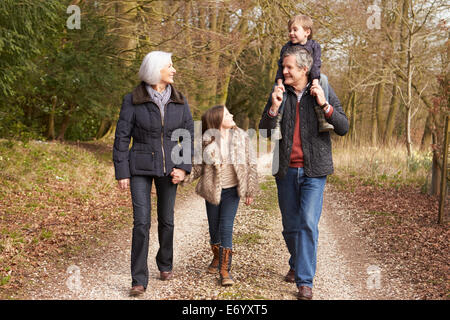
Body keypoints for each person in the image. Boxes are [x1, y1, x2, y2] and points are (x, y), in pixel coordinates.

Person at [258, 46, 348, 300]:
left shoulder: (322, 90)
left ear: (303, 69)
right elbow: (263, 132)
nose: (283, 71)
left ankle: (305, 282)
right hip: (285, 169)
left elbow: (343, 127)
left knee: (308, 223)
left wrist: (325, 105)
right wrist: (273, 108)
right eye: (283, 67)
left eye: (288, 68)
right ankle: (297, 261)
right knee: (290, 227)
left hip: (314, 170)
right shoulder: (279, 93)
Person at [113, 51, 194, 297]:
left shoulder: (180, 100)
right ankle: (138, 278)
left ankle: (165, 262)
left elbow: (187, 135)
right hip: (139, 166)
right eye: (169, 66)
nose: (174, 70)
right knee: (141, 222)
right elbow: (122, 136)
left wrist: (183, 167)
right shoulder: (133, 99)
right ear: (155, 70)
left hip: (170, 167)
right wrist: (122, 172)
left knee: (167, 220)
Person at [182, 105, 258, 286]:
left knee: (226, 227)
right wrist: (183, 176)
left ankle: (225, 270)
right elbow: (198, 165)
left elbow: (251, 164)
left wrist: (250, 190)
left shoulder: (242, 137)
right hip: (212, 190)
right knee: (214, 228)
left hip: (233, 191)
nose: (231, 115)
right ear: (217, 120)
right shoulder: (207, 141)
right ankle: (216, 256)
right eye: (227, 114)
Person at [272, 14, 334, 139]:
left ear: (307, 32)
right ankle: (277, 121)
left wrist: (315, 82)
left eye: (295, 30)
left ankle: (322, 116)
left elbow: (316, 64)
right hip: (288, 80)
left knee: (324, 79)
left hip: (311, 78)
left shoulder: (314, 46)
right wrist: (279, 83)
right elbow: (280, 67)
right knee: (279, 90)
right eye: (290, 30)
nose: (291, 33)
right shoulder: (286, 47)